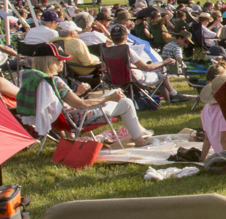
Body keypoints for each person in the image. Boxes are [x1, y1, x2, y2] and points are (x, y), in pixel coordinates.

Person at [14, 42, 150, 145]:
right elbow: (81, 104)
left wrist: (76, 93)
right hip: (77, 118)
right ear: (50, 62)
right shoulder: (54, 80)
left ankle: (139, 131)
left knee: (116, 92)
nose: (63, 63)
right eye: (60, 60)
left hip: (62, 118)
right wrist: (109, 98)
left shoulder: (33, 77)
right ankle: (139, 139)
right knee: (125, 102)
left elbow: (55, 101)